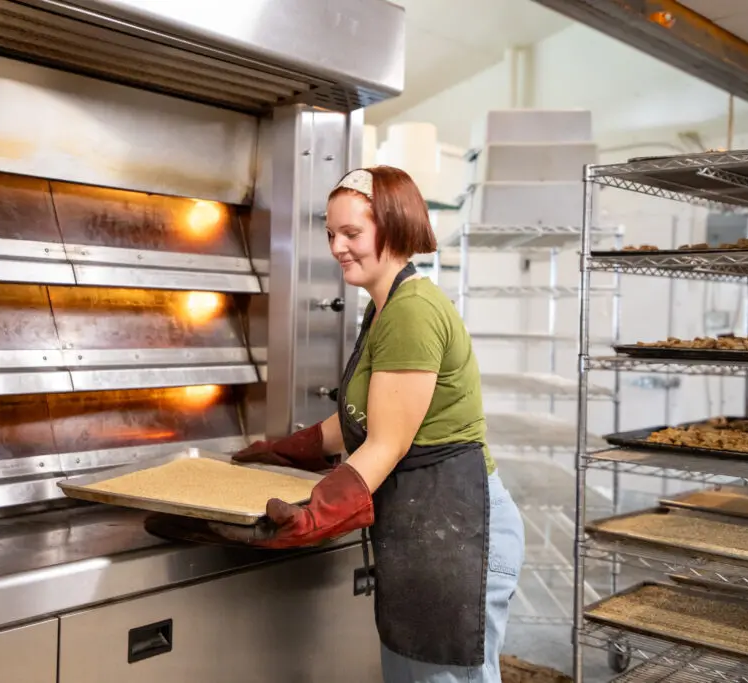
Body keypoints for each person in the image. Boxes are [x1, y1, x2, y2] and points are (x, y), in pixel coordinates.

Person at [210, 166, 526, 683]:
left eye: (352, 233)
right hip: (425, 525)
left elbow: (387, 443)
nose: (337, 246)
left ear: (394, 226)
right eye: (331, 233)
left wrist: (318, 512)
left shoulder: (413, 312)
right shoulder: (382, 307)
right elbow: (360, 418)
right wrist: (290, 450)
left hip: (456, 529)